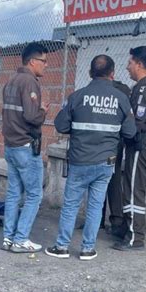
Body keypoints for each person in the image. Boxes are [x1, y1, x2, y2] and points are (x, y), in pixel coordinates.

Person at [45, 55, 136, 261]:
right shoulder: (121, 99)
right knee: (95, 206)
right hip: (106, 163)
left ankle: (62, 247)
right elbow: (130, 132)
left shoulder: (77, 96)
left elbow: (61, 125)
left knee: (71, 205)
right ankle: (88, 249)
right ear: (112, 74)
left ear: (90, 73)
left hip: (79, 161)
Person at [113, 46, 146, 251]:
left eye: (130, 63)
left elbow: (135, 121)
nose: (127, 68)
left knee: (134, 191)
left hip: (141, 145)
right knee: (136, 188)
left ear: (139, 64)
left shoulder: (144, 88)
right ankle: (128, 229)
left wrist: (124, 135)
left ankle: (135, 238)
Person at [1, 42, 49, 253]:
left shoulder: (11, 81)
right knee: (34, 195)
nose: (46, 65)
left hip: (11, 145)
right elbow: (31, 117)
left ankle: (8, 238)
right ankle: (20, 239)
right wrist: (43, 111)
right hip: (25, 146)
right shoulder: (30, 82)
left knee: (13, 194)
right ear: (32, 61)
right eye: (44, 61)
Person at [100, 80, 131, 237]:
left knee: (111, 178)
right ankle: (110, 219)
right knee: (110, 177)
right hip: (114, 140)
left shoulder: (117, 90)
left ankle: (113, 219)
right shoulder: (122, 90)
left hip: (110, 140)